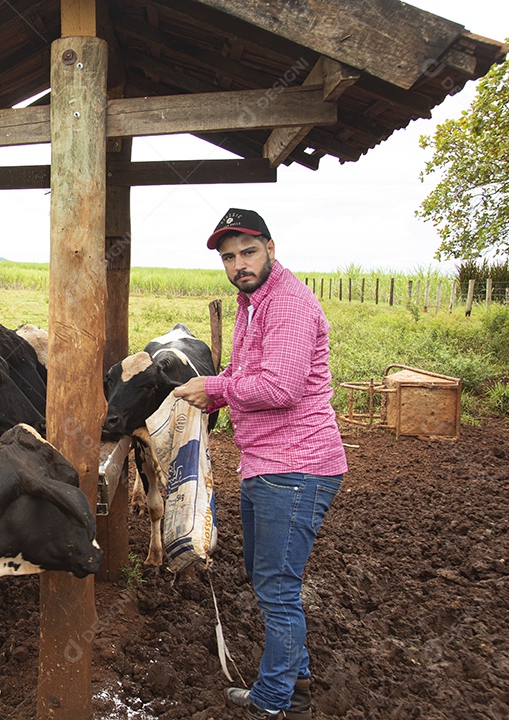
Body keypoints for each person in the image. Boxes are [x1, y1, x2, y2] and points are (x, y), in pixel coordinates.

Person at [173, 208, 347, 720]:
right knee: (268, 577)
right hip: (265, 463)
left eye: (248, 252)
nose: (238, 264)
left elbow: (280, 387)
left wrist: (214, 389)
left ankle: (276, 700)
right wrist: (216, 392)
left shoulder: (288, 304)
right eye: (229, 257)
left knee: (276, 586)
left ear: (271, 247)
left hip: (297, 467)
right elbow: (245, 371)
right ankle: (297, 679)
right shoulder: (251, 302)